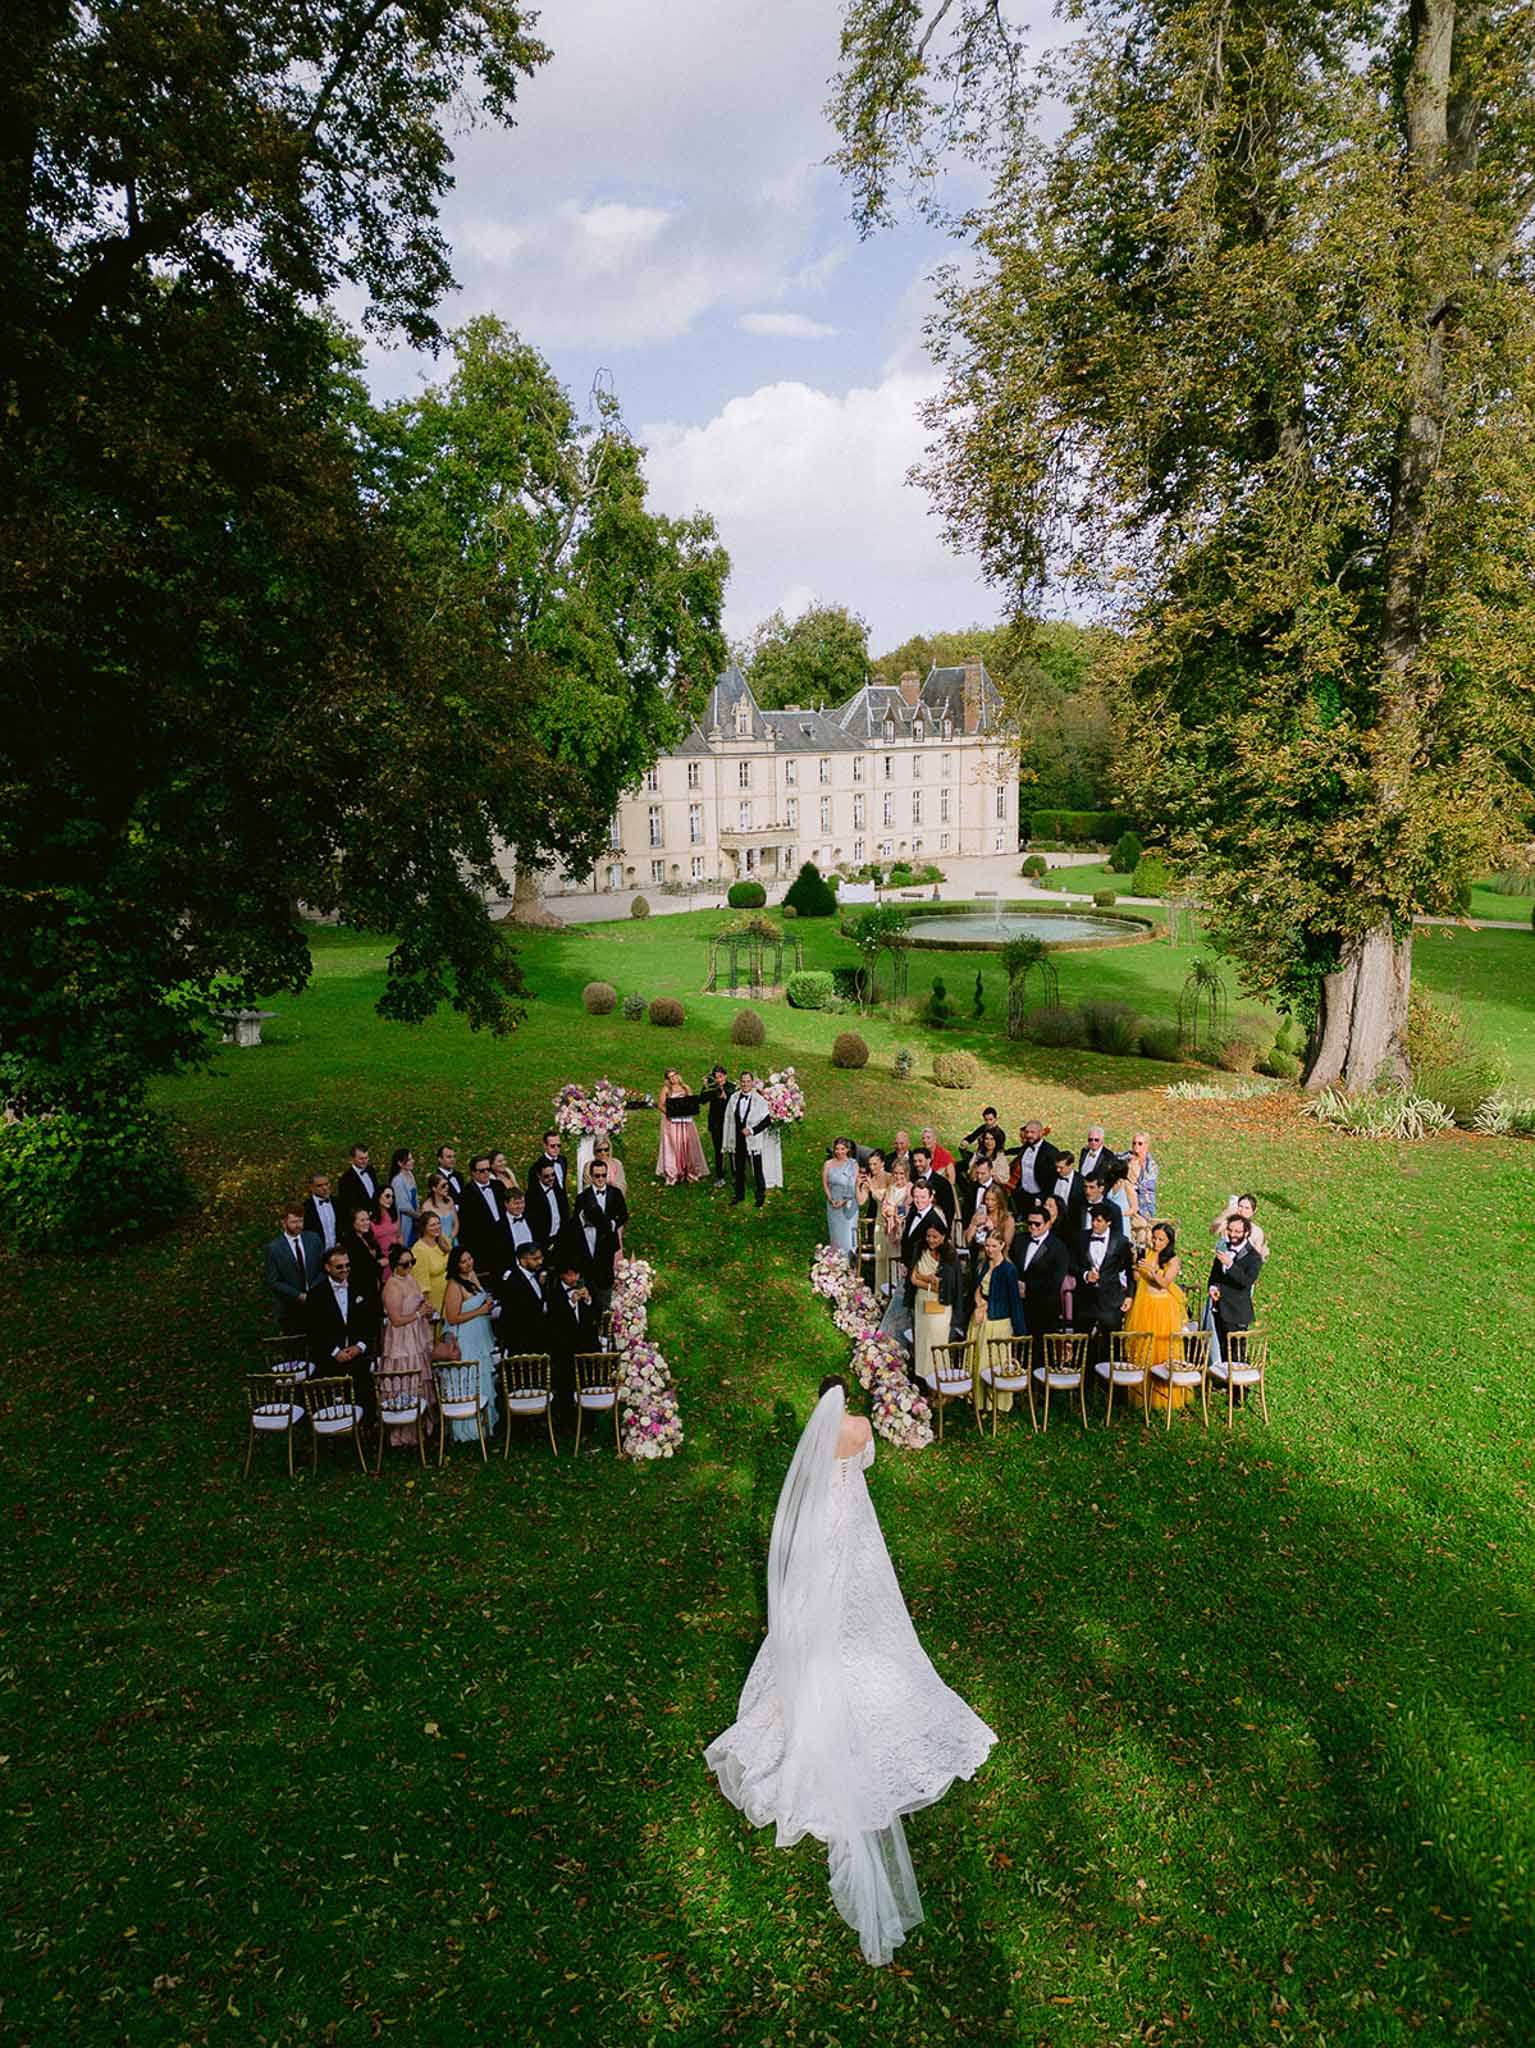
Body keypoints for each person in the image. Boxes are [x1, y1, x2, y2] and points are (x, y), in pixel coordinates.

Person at [704, 1377, 995, 1967]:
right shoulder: (860, 1429)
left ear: (818, 1401)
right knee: (865, 1607)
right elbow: (865, 1464)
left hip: (824, 1535)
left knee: (821, 1609)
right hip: (858, 1533)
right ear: (847, 1397)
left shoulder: (815, 1437)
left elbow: (806, 1493)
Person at [305, 1246, 375, 1425]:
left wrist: (359, 1346)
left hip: (357, 1354)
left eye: (347, 1265)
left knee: (364, 1389)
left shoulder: (360, 1287)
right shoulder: (316, 1294)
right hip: (330, 1357)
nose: (345, 1270)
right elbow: (314, 1330)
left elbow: (370, 1321)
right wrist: (335, 1351)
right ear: (328, 1268)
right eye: (340, 1267)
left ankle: (365, 1426)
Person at [379, 1244, 437, 1447]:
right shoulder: (392, 1286)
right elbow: (395, 1319)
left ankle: (424, 1426)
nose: (409, 1267)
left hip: (417, 1332)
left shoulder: (410, 1278)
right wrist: (419, 1314)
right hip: (402, 1338)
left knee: (423, 1375)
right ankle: (404, 1433)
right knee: (407, 1377)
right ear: (395, 1266)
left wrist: (424, 1308)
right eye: (405, 1264)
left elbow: (416, 1302)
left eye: (412, 1262)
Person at [1126, 1224, 1190, 1410]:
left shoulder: (1172, 1260)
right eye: (1154, 1238)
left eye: (1161, 1239)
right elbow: (1138, 1278)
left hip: (1163, 1307)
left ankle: (1163, 1394)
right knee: (1143, 1347)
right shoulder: (1146, 1253)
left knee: (1161, 1349)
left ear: (1169, 1241)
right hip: (1144, 1304)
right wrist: (1135, 1265)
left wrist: (1152, 1269)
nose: (1156, 1242)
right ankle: (1141, 1389)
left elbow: (1164, 1283)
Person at [440, 1247, 499, 1442]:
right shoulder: (453, 1285)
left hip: (480, 1334)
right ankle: (466, 1429)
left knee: (483, 1375)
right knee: (470, 1377)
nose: (468, 1263)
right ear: (456, 1265)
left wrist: (487, 1305)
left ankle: (485, 1424)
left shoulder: (473, 1276)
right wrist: (480, 1310)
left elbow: (481, 1300)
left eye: (470, 1258)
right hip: (465, 1336)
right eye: (463, 1261)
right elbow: (453, 1317)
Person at [966, 1232, 1027, 1407]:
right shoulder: (984, 1264)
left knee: (991, 1362)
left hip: (997, 1321)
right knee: (978, 1358)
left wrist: (1020, 1330)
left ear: (1002, 1245)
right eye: (987, 1246)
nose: (989, 1250)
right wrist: (978, 1305)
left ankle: (995, 1403)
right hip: (980, 1317)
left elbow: (1014, 1301)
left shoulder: (1009, 1270)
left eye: (993, 1246)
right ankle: (978, 1399)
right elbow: (978, 1287)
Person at [1074, 1203, 1135, 1366]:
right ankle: (1084, 1381)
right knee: (1083, 1342)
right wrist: (1086, 1275)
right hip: (1085, 1300)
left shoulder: (1121, 1242)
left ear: (1108, 1222)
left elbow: (1130, 1271)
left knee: (1112, 1343)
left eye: (1099, 1221)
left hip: (1111, 1300)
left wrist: (1129, 1295)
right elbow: (1071, 1265)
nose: (1094, 1224)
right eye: (1093, 1220)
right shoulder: (1080, 1238)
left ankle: (1111, 1382)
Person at [570, 1157, 628, 1317]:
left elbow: (623, 1215)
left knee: (605, 1281)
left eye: (603, 1175)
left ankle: (605, 1314)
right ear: (591, 1176)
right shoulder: (582, 1198)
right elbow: (575, 1221)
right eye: (597, 1176)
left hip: (607, 1244)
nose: (601, 1179)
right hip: (588, 1245)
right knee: (589, 1281)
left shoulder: (615, 1194)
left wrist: (613, 1224)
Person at [1013, 1207, 1069, 1368]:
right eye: (1029, 1223)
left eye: (1037, 1224)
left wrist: (1028, 1288)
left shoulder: (1058, 1247)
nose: (1033, 1227)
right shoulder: (1020, 1240)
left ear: (1048, 1224)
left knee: (1042, 1352)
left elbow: (1055, 1280)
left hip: (1045, 1308)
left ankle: (1042, 1387)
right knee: (1021, 1346)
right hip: (1021, 1305)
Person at [909, 1219, 960, 1389]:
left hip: (940, 1305)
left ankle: (939, 1381)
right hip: (921, 1301)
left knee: (937, 1341)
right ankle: (922, 1380)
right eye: (929, 1236)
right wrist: (928, 1279)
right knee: (922, 1341)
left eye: (935, 1237)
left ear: (944, 1237)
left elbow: (944, 1287)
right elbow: (913, 1278)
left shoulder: (950, 1256)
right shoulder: (919, 1248)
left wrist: (924, 1279)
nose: (931, 1240)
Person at [264, 1204, 323, 1335]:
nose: (298, 1225)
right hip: (290, 1308)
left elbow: (323, 1268)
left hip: (316, 1303)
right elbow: (273, 1281)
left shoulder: (313, 1239)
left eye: (301, 1221)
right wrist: (298, 1295)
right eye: (294, 1222)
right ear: (284, 1223)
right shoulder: (274, 1248)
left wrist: (314, 1292)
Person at [1207, 1214, 1263, 1350]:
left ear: (1247, 1233)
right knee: (1220, 1352)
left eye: (1237, 1231)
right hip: (1219, 1310)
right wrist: (1213, 1287)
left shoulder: (1254, 1257)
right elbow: (1215, 1275)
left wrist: (1231, 1265)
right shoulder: (1224, 1248)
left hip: (1237, 1314)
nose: (1233, 1234)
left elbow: (1247, 1282)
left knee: (1237, 1356)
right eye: (1230, 1230)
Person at [458, 1154, 514, 1288]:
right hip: (483, 1244)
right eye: (481, 1171)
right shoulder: (466, 1193)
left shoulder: (498, 1186)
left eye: (488, 1169)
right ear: (473, 1173)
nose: (486, 1173)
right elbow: (466, 1226)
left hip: (503, 1239)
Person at [724, 1071, 772, 1209]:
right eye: (743, 1081)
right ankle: (739, 1195)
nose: (745, 1084)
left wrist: (752, 1130)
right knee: (738, 1168)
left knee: (757, 1168)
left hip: (753, 1140)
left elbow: (767, 1121)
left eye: (748, 1081)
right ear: (740, 1083)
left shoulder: (759, 1100)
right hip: (738, 1139)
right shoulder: (734, 1098)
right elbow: (728, 1119)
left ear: (752, 1083)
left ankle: (760, 1195)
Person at [657, 1069, 709, 1184]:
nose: (673, 1079)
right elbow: (660, 1105)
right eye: (670, 1077)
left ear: (678, 1075)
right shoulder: (666, 1089)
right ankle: (674, 1172)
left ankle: (689, 1170)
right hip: (672, 1122)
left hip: (685, 1121)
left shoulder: (686, 1088)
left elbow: (691, 1102)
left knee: (686, 1143)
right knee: (674, 1144)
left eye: (674, 1076)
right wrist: (670, 1113)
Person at [823, 1137, 861, 1256]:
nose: (839, 1152)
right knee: (835, 1235)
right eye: (837, 1149)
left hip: (849, 1204)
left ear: (848, 1149)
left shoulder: (853, 1164)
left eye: (842, 1149)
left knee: (848, 1237)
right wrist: (830, 1199)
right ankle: (835, 1265)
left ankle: (850, 1264)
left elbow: (854, 1185)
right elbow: (825, 1183)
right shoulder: (828, 1164)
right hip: (833, 1205)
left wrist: (843, 1201)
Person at [877, 1162, 909, 1299]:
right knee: (890, 1261)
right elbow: (884, 1206)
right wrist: (887, 1212)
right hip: (889, 1229)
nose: (898, 1176)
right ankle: (887, 1291)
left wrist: (895, 1211)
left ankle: (900, 1292)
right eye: (895, 1173)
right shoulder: (891, 1188)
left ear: (906, 1173)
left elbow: (908, 1209)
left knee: (900, 1261)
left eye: (901, 1173)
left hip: (903, 1230)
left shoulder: (910, 1188)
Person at [412, 1210, 452, 1318]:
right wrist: (427, 1305)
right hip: (436, 1299)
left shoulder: (444, 1240)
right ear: (424, 1227)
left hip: (451, 1292)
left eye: (438, 1223)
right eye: (432, 1225)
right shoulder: (419, 1250)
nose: (437, 1227)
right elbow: (421, 1281)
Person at [526, 1157, 571, 1250]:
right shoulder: (532, 1195)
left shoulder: (558, 1189)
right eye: (546, 1176)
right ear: (538, 1175)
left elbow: (565, 1212)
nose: (551, 1178)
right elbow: (533, 1223)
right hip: (543, 1241)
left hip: (560, 1237)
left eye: (553, 1175)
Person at [908, 1147, 956, 1230]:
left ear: (929, 1160)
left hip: (933, 1228)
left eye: (920, 1161)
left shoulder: (942, 1183)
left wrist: (944, 1233)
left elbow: (949, 1211)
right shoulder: (911, 1179)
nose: (917, 1164)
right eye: (915, 1161)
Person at [1045, 1148, 1088, 1239]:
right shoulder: (1051, 1177)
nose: (1058, 1170)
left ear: (1071, 1165)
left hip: (1071, 1224)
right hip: (1052, 1222)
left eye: (1061, 1167)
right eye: (1057, 1167)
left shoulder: (1081, 1182)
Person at [1212, 1192, 1269, 1260]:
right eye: (1240, 1206)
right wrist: (1225, 1213)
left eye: (1247, 1208)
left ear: (1254, 1211)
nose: (1242, 1210)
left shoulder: (1256, 1231)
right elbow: (1213, 1230)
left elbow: (1256, 1260)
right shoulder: (1227, 1224)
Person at [701, 1065, 732, 1185]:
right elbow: (702, 1100)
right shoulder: (712, 1088)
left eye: (721, 1076)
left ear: (725, 1075)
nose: (719, 1079)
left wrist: (725, 1094)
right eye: (716, 1077)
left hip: (729, 1123)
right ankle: (719, 1176)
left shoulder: (731, 1087)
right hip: (716, 1124)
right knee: (718, 1150)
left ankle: (735, 1174)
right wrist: (704, 1087)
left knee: (731, 1149)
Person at [1125, 1133, 1159, 1230]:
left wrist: (1130, 1185)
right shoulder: (1127, 1157)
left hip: (1144, 1203)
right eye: (1134, 1143)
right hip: (1127, 1201)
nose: (1136, 1146)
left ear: (1146, 1145)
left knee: (1143, 1230)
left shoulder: (1151, 1165)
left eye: (1140, 1143)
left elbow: (1147, 1186)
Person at [337, 1144, 378, 1223]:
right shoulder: (345, 1179)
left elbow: (375, 1190)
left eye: (366, 1158)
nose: (364, 1161)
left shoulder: (370, 1170)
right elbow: (349, 1204)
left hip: (376, 1214)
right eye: (361, 1159)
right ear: (352, 1159)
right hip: (361, 1220)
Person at [419, 1171, 459, 1248]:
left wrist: (450, 1239)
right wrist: (443, 1243)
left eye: (447, 1184)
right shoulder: (426, 1207)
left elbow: (456, 1223)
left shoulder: (449, 1200)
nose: (447, 1187)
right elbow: (425, 1232)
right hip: (436, 1245)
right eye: (443, 1185)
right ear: (434, 1188)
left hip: (453, 1241)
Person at [303, 1171, 339, 1252]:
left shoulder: (338, 1203)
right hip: (317, 1253)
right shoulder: (306, 1208)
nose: (325, 1188)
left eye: (327, 1184)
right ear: (311, 1188)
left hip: (338, 1252)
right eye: (320, 1186)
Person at [389, 1148, 419, 1247]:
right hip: (405, 1219)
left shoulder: (410, 1174)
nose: (413, 1161)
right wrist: (419, 1216)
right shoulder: (397, 1181)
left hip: (414, 1215)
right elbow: (403, 1206)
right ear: (400, 1163)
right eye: (409, 1159)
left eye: (412, 1158)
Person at [368, 1183, 402, 1266]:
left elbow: (399, 1235)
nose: (390, 1199)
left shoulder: (394, 1213)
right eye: (387, 1196)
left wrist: (401, 1254)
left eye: (392, 1197)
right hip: (380, 1259)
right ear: (378, 1196)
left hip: (395, 1257)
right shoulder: (370, 1217)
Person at [526, 1129, 567, 1197]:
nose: (556, 1148)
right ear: (545, 1146)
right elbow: (533, 1192)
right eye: (552, 1146)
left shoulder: (563, 1160)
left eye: (559, 1145)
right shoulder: (536, 1167)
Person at [1078, 1125, 1118, 1189]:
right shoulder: (1084, 1151)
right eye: (1090, 1140)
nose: (1093, 1142)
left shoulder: (1108, 1156)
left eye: (1096, 1140)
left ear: (1102, 1140)